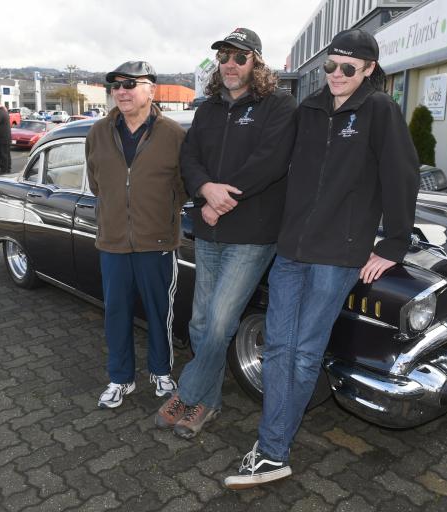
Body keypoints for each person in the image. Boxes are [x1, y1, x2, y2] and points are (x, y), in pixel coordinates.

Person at [225, 28, 420, 489]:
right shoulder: (309, 108)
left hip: (338, 255)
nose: (336, 75)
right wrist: (221, 190)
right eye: (331, 66)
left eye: (348, 68)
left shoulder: (379, 111)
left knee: (304, 352)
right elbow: (274, 163)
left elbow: (401, 176)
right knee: (277, 346)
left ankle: (272, 451)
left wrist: (393, 243)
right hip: (292, 249)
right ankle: (273, 443)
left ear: (369, 69)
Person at [155, 28, 296, 439]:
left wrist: (220, 200)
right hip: (210, 229)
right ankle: (208, 403)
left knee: (219, 324)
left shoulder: (280, 105)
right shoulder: (208, 110)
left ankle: (189, 392)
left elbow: (270, 162)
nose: (230, 64)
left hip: (251, 234)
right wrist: (204, 192)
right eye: (224, 58)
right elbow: (190, 157)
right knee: (200, 324)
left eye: (240, 57)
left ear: (257, 62)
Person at [85, 61, 188, 408]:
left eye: (130, 84)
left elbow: (183, 186)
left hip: (156, 243)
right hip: (113, 243)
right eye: (115, 85)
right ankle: (120, 379)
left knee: (160, 312)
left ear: (151, 90)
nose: (122, 91)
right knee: (115, 313)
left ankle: (160, 372)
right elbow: (98, 183)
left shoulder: (174, 134)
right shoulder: (98, 132)